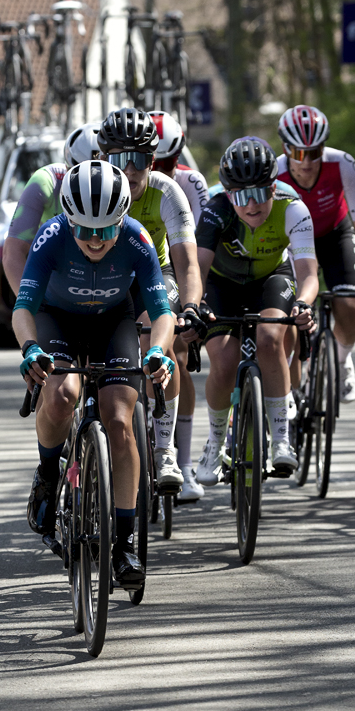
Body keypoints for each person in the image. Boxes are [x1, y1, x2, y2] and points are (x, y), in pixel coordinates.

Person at [12, 159, 175, 590]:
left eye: (106, 230)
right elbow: (23, 309)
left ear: (122, 218)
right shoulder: (51, 237)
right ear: (68, 218)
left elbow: (162, 312)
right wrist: (31, 349)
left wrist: (158, 349)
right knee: (61, 393)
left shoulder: (138, 240)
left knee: (120, 419)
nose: (95, 239)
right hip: (57, 319)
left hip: (112, 321)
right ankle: (48, 474)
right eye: (84, 229)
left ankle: (123, 543)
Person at [195, 139, 318, 481]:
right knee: (223, 359)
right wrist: (193, 305)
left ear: (274, 187)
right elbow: (198, 269)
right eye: (240, 195)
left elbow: (308, 272)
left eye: (260, 194)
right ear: (228, 193)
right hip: (222, 284)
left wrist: (304, 303)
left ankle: (280, 439)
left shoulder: (293, 208)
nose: (251, 206)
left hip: (271, 279)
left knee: (269, 338)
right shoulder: (215, 210)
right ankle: (215, 444)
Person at [97, 108, 204, 496]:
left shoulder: (166, 191)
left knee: (157, 340)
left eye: (138, 160)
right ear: (101, 159)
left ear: (152, 161)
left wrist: (190, 306)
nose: (129, 171)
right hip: (102, 280)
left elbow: (188, 263)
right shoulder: (89, 187)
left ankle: (163, 449)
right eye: (118, 159)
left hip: (154, 275)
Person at [275, 104, 355, 401]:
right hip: (292, 242)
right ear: (286, 149)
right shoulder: (275, 174)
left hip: (335, 234)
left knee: (351, 309)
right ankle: (296, 381)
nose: (308, 161)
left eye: (315, 152)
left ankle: (340, 359)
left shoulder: (343, 164)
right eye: (299, 153)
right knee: (291, 315)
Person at [148, 110, 210, 501]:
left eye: (170, 163)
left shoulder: (190, 183)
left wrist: (194, 305)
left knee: (179, 354)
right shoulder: (127, 181)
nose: (163, 171)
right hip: (133, 267)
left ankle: (182, 463)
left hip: (173, 267)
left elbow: (200, 252)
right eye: (156, 163)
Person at [2, 122, 101, 295]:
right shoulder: (46, 181)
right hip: (57, 277)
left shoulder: (126, 185)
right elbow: (13, 252)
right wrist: (29, 304)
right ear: (67, 168)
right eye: (80, 176)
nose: (90, 185)